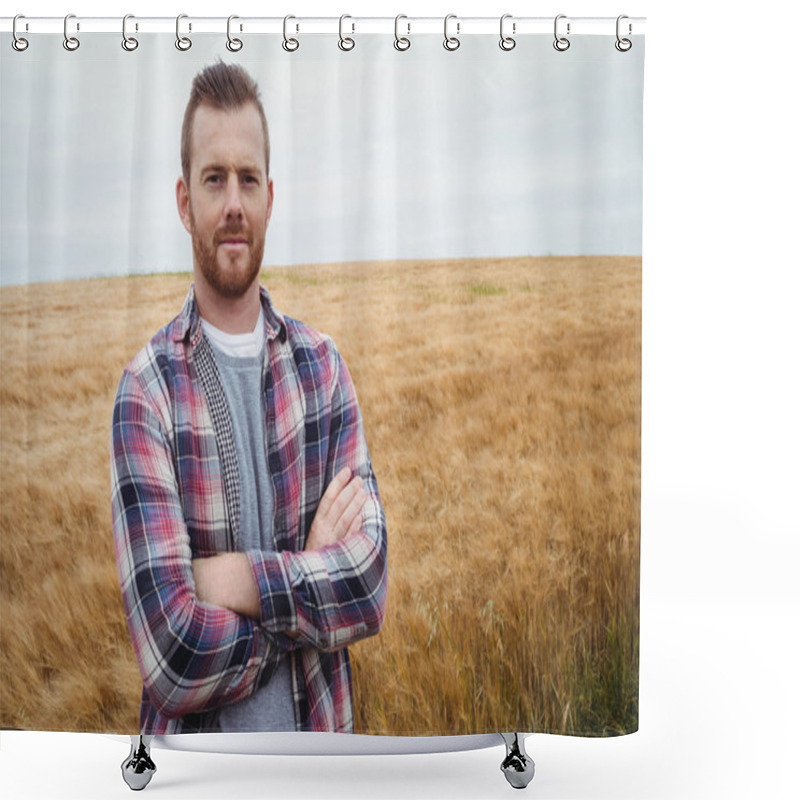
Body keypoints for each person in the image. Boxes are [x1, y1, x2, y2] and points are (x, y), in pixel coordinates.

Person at [110, 62, 387, 735]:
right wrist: (305, 583)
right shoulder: (145, 394)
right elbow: (171, 653)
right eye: (214, 178)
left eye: (248, 178)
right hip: (196, 778)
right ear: (185, 203)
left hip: (318, 769)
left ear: (269, 198)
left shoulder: (322, 370)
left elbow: (370, 585)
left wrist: (227, 580)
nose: (234, 202)